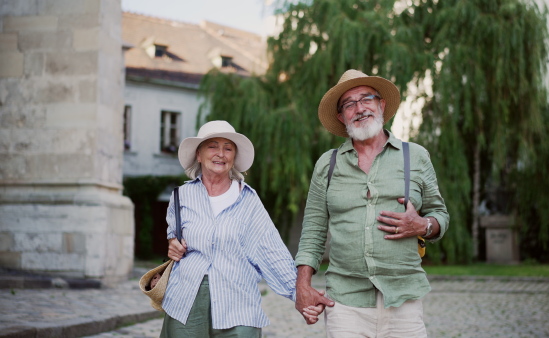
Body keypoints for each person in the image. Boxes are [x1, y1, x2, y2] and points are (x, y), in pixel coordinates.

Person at [295, 69, 450, 337]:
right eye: (349, 104)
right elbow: (313, 232)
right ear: (341, 117)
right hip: (345, 303)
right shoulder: (327, 164)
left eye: (366, 98)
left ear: (382, 104)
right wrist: (303, 286)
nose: (359, 108)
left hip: (404, 299)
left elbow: (440, 214)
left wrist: (423, 225)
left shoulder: (415, 156)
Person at [160, 120, 319, 337]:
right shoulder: (181, 196)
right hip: (185, 302)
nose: (221, 154)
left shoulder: (248, 200)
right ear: (199, 155)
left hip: (237, 302)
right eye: (213, 146)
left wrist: (300, 294)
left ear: (234, 157)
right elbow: (174, 235)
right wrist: (172, 244)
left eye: (228, 148)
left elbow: (270, 250)